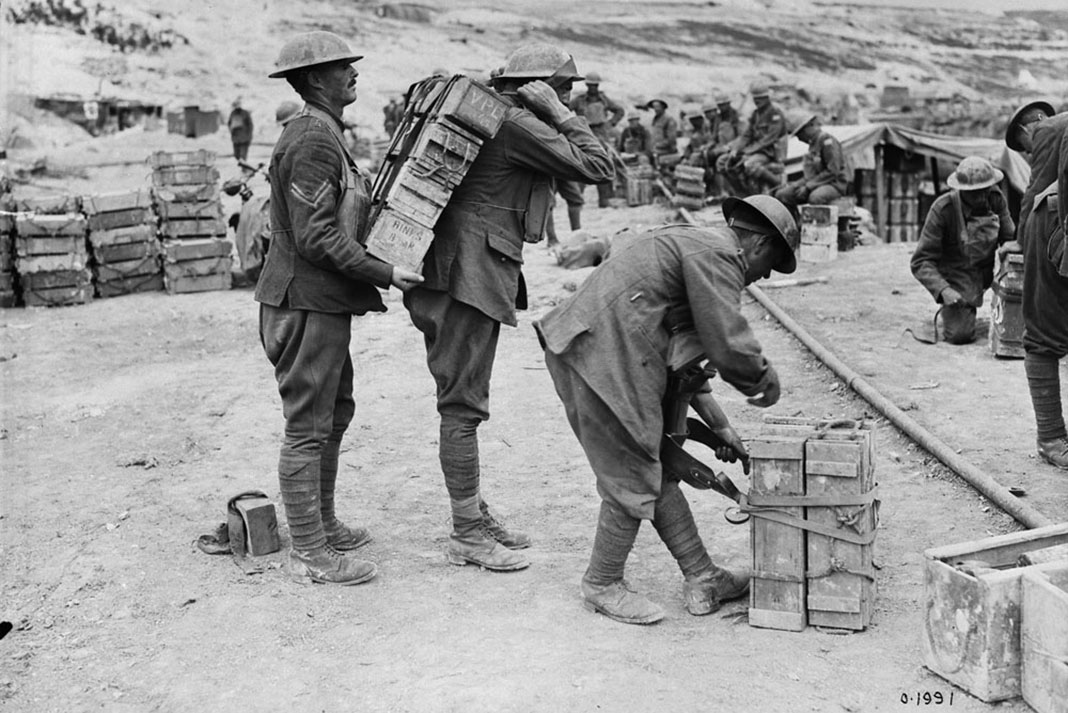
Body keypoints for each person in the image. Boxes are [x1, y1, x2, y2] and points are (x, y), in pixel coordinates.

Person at [534, 195, 799, 624]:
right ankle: (602, 582)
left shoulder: (697, 247)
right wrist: (763, 382)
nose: (758, 278)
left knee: (654, 466)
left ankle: (703, 576)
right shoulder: (718, 255)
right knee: (634, 471)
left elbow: (684, 364)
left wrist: (722, 429)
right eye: (765, 268)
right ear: (759, 245)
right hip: (602, 358)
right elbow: (726, 341)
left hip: (607, 354)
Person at [404, 42, 614, 572]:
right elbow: (597, 165)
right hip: (465, 276)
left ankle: (472, 512)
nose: (568, 99)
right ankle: (467, 533)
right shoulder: (517, 122)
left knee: (463, 400)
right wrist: (560, 114)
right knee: (463, 405)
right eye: (563, 89)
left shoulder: (491, 113)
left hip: (452, 270)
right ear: (538, 88)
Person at [256, 31, 424, 586]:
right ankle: (310, 550)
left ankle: (322, 524)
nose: (353, 71)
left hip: (320, 301)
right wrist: (387, 273)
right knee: (307, 425)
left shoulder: (326, 132)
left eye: (351, 63)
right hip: (304, 302)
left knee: (335, 412)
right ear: (311, 80)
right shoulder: (311, 139)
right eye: (339, 67)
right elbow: (316, 237)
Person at [1005, 102, 1068, 469]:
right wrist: (1023, 241)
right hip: (1054, 226)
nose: (1029, 153)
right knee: (1043, 334)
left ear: (1030, 128)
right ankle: (1050, 437)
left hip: (1051, 223)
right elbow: (1037, 192)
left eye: (1024, 149)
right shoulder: (1057, 129)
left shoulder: (1048, 129)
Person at [910, 156, 1015, 345]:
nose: (982, 197)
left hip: (984, 272)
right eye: (975, 193)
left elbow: (1010, 239)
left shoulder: (996, 199)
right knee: (959, 335)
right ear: (961, 190)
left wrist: (1011, 275)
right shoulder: (943, 209)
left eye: (986, 189)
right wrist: (944, 290)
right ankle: (954, 312)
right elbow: (920, 261)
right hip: (956, 276)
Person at [773, 110, 848, 214]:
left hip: (834, 184)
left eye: (800, 133)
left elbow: (833, 171)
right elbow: (811, 175)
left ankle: (818, 228)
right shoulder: (813, 145)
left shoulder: (827, 141)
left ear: (810, 126)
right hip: (816, 183)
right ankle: (795, 225)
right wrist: (796, 185)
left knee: (815, 197)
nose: (799, 139)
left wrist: (808, 187)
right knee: (782, 194)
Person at [717, 83, 786, 196]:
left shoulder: (775, 114)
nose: (756, 102)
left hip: (770, 152)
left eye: (759, 99)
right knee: (722, 162)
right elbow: (747, 135)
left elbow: (769, 139)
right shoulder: (756, 114)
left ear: (767, 98)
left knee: (749, 164)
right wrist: (736, 149)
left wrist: (748, 151)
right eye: (755, 99)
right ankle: (741, 193)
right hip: (755, 151)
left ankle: (778, 183)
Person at [569, 71, 624, 208]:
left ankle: (604, 200)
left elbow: (619, 111)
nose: (592, 88)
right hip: (583, 134)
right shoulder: (579, 100)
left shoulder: (604, 99)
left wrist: (611, 123)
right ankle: (578, 200)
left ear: (598, 85)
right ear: (586, 85)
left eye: (595, 85)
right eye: (590, 85)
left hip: (601, 135)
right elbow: (563, 108)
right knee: (581, 165)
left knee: (602, 165)